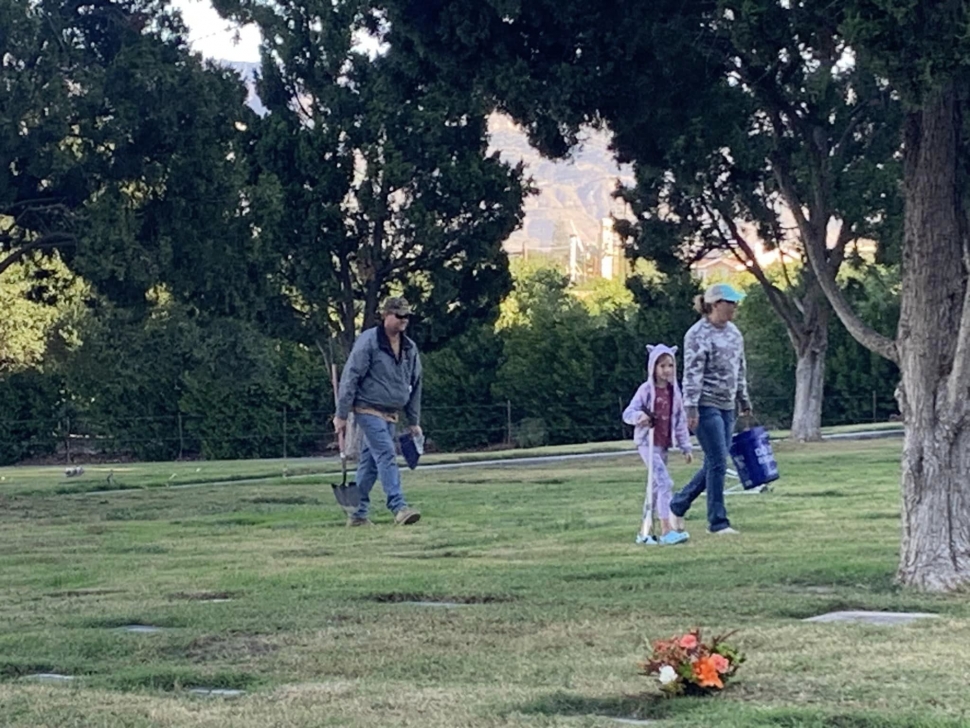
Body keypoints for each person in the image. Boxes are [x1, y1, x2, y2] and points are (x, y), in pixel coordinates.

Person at [670, 282, 752, 535]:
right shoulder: (697, 334)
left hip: (727, 404)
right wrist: (691, 408)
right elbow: (692, 374)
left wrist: (743, 398)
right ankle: (717, 522)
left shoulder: (734, 333)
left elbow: (739, 368)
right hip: (705, 404)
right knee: (717, 460)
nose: (735, 307)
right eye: (731, 302)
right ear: (715, 304)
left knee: (716, 462)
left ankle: (678, 504)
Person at [334, 296, 423, 527]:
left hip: (391, 413)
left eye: (406, 316)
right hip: (367, 409)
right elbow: (350, 376)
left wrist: (413, 421)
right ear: (386, 315)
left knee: (370, 464)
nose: (404, 320)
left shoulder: (409, 348)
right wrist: (341, 414)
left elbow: (416, 384)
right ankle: (398, 507)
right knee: (386, 453)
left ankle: (357, 514)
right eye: (399, 316)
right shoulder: (369, 342)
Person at [623, 344, 693, 546]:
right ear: (653, 367)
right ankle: (666, 530)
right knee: (664, 482)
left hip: (663, 444)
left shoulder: (674, 393)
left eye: (670, 365)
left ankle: (645, 531)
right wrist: (640, 417)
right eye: (662, 365)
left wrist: (685, 446)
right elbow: (628, 413)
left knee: (654, 487)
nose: (667, 370)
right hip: (648, 443)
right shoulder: (645, 390)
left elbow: (679, 421)